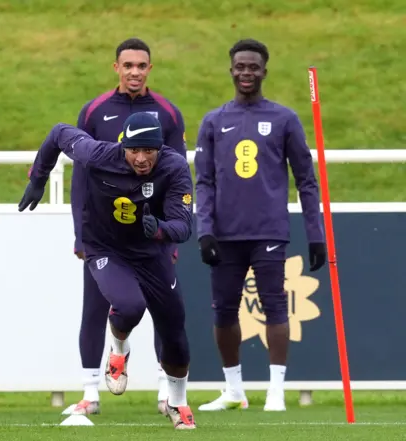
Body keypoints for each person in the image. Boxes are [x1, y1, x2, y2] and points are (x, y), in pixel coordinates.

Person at [19, 112, 197, 430]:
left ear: (160, 148)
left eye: (149, 151)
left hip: (151, 251)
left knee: (175, 331)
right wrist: (39, 177)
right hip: (106, 249)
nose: (141, 159)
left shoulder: (174, 167)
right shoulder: (99, 154)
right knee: (129, 306)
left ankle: (178, 401)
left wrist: (159, 229)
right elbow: (59, 131)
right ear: (122, 145)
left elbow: (184, 226)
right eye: (134, 150)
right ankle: (118, 348)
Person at [193, 39, 326, 412]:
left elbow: (306, 179)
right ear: (231, 70)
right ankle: (234, 390)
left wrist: (316, 235)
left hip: (268, 230)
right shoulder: (214, 121)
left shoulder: (284, 119)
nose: (246, 73)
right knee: (223, 312)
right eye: (240, 66)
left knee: (275, 308)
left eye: (253, 67)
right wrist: (205, 229)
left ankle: (275, 391)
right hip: (225, 233)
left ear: (264, 71)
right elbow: (203, 181)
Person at [70, 37, 187, 416]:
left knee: (163, 311)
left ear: (150, 69)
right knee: (97, 306)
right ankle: (90, 392)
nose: (134, 72)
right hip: (103, 232)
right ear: (115, 68)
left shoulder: (167, 113)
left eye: (141, 66)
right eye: (128, 65)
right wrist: (79, 231)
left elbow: (176, 174)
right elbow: (80, 175)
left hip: (150, 236)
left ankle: (164, 393)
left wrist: (167, 230)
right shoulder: (94, 111)